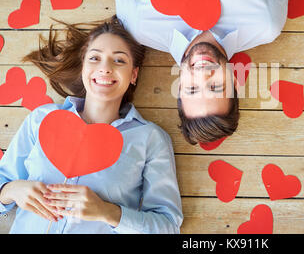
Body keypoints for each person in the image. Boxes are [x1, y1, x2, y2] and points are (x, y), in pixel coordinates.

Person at [108, 0, 298, 144]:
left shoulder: (139, 26)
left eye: (192, 89)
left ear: (180, 85)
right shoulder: (265, 24)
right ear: (234, 81)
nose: (203, 75)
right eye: (216, 87)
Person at [0, 16, 183, 233]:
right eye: (95, 58)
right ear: (83, 67)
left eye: (119, 60)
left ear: (133, 74)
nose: (105, 68)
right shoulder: (40, 119)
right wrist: (10, 191)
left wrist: (107, 212)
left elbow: (168, 226)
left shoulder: (150, 139)